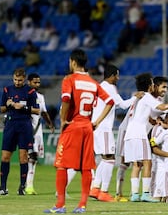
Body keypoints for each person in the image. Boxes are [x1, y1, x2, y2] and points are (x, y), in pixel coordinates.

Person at [44, 49, 114, 214]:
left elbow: (66, 99)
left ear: (73, 62)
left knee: (62, 165)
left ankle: (60, 205)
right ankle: (82, 205)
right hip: (88, 128)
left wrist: (62, 120)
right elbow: (110, 102)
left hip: (73, 126)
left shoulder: (69, 79)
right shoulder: (92, 82)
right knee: (86, 168)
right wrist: (96, 122)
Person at [89, 64, 144, 202]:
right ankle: (104, 192)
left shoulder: (99, 87)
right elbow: (123, 105)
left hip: (96, 126)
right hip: (104, 127)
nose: (118, 78)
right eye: (117, 75)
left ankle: (95, 188)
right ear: (112, 75)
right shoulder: (110, 88)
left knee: (105, 158)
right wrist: (135, 97)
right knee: (110, 159)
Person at [123, 73, 168, 202]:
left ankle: (134, 194)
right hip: (139, 133)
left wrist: (159, 116)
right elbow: (160, 107)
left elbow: (154, 113)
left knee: (137, 164)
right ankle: (146, 194)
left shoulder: (138, 97)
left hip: (129, 134)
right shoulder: (147, 96)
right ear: (150, 86)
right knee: (147, 162)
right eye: (152, 83)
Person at [0, 67, 40, 196]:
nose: (17, 82)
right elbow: (2, 109)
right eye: (15, 80)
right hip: (11, 125)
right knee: (5, 156)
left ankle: (22, 187)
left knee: (23, 157)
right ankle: (3, 187)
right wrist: (8, 104)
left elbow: (37, 110)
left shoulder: (30, 92)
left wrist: (23, 107)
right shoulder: (7, 90)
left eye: (19, 80)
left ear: (24, 79)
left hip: (24, 125)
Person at [25, 73, 55, 195]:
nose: (37, 84)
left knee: (34, 157)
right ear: (29, 82)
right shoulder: (23, 95)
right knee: (25, 157)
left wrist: (50, 124)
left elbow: (43, 112)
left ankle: (29, 185)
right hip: (24, 129)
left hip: (36, 130)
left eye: (38, 82)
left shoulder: (40, 97)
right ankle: (23, 185)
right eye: (35, 82)